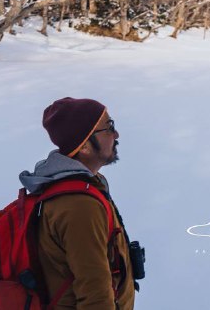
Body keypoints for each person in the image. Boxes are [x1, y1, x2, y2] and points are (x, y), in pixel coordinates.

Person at [19, 97, 138, 310]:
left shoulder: (82, 188)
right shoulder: (80, 206)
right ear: (84, 147)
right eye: (109, 127)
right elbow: (95, 297)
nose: (116, 134)